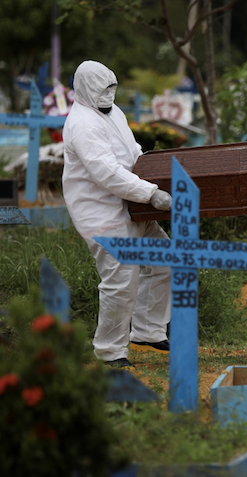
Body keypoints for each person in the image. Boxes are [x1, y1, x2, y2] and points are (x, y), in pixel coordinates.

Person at [63, 60, 173, 369]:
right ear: (86, 89)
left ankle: (148, 332)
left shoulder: (112, 112)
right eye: (102, 89)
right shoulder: (83, 124)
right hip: (102, 213)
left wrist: (151, 169)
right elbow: (106, 172)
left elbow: (130, 150)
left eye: (112, 88)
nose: (109, 94)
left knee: (164, 261)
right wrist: (151, 193)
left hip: (132, 206)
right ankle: (109, 351)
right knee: (121, 280)